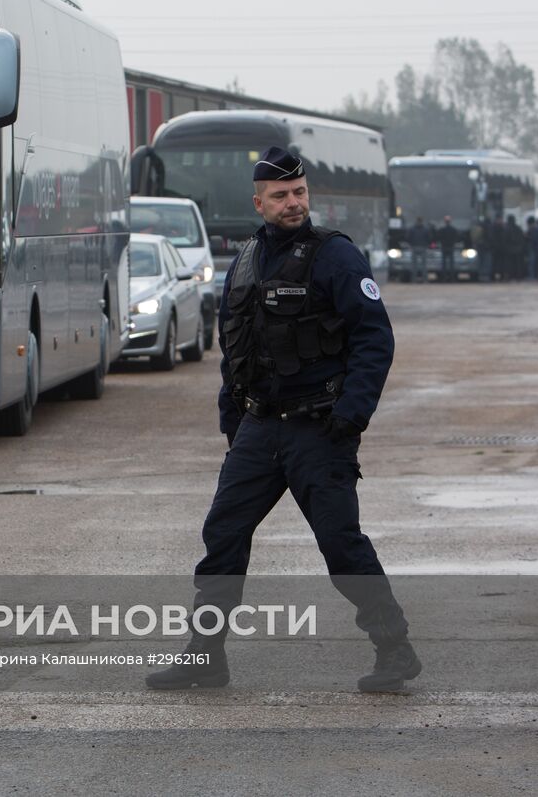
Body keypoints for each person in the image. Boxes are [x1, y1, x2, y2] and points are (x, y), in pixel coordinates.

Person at [146, 147, 418, 693]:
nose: (292, 203)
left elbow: (374, 339)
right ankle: (206, 660)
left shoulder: (336, 257)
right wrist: (233, 422)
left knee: (341, 544)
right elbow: (235, 347)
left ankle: (396, 651)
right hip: (258, 428)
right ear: (259, 202)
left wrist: (350, 416)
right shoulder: (245, 260)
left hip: (319, 429)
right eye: (280, 196)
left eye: (299, 193)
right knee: (223, 535)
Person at [407, 216, 432, 282]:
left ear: (417, 221)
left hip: (414, 247)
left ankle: (414, 280)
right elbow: (429, 238)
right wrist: (427, 244)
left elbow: (408, 238)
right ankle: (424, 280)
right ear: (422, 221)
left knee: (414, 265)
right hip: (423, 247)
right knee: (424, 265)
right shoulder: (426, 229)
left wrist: (411, 244)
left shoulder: (412, 229)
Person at [436, 215, 459, 281]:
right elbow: (456, 238)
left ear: (445, 222)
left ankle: (444, 277)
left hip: (444, 247)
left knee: (444, 264)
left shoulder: (442, 230)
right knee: (451, 264)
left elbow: (438, 237)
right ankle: (452, 278)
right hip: (451, 247)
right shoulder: (453, 230)